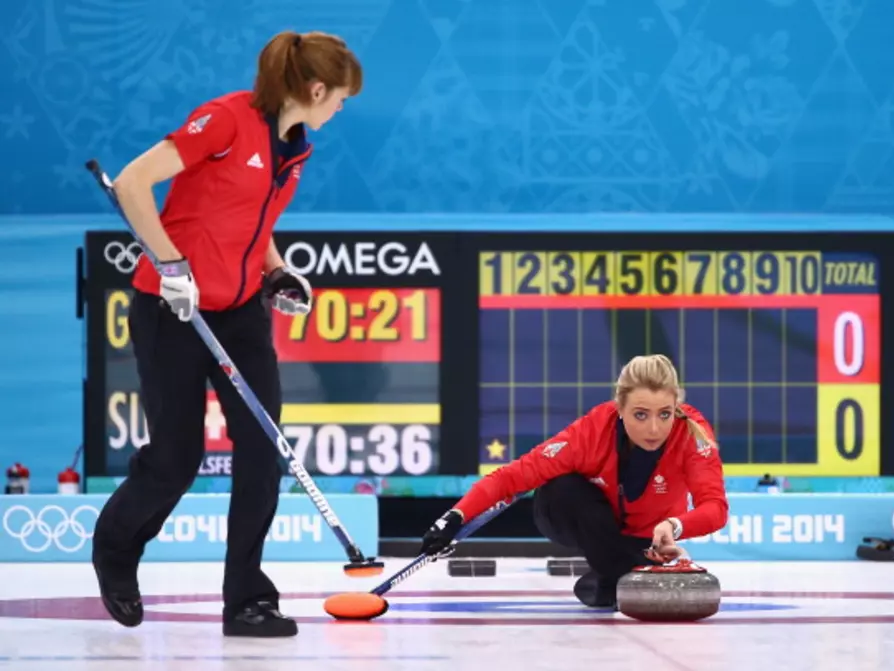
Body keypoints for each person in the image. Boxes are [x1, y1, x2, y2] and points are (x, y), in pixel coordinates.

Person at [91, 30, 362, 637]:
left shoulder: (295, 146)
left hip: (238, 313)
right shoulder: (224, 120)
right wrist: (169, 265)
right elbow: (133, 183)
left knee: (263, 451)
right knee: (176, 460)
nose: (340, 108)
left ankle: (247, 600)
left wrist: (278, 272)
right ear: (315, 89)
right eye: (340, 97)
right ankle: (115, 547)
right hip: (171, 310)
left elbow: (251, 220)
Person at [420, 354, 729, 608]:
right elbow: (512, 477)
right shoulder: (592, 431)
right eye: (640, 415)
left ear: (677, 407)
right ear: (619, 409)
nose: (653, 429)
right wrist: (454, 517)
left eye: (665, 414)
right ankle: (626, 571)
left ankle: (611, 577)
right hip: (577, 521)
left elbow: (715, 508)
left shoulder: (692, 433)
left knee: (614, 570)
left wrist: (675, 526)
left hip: (644, 538)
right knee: (563, 487)